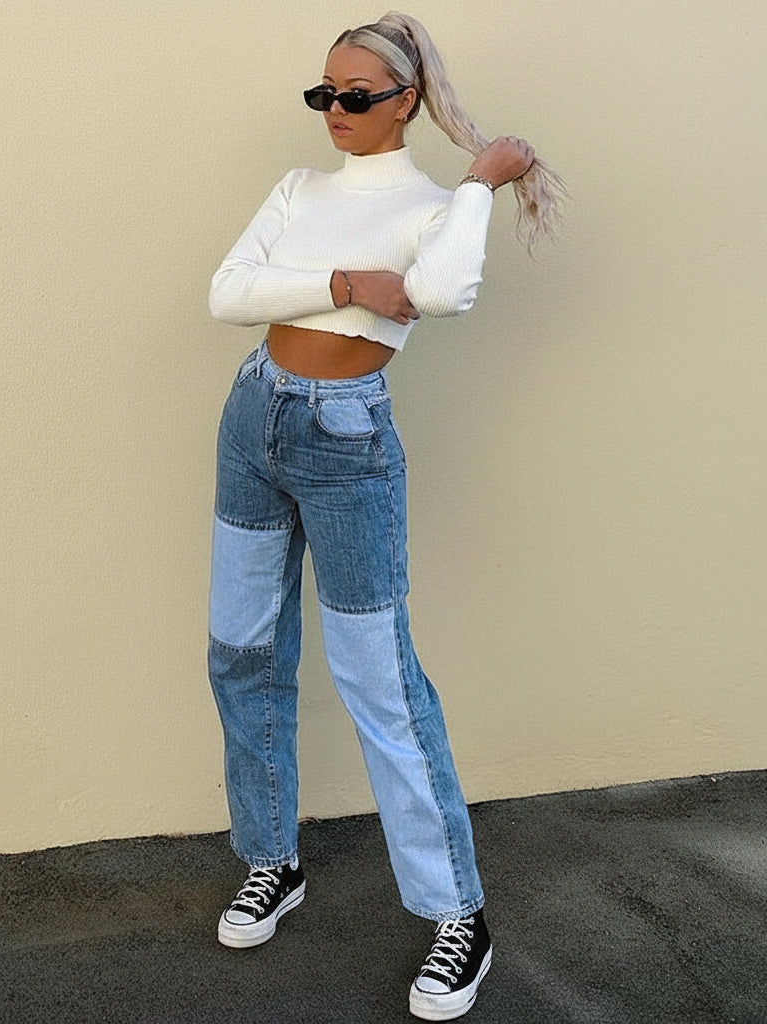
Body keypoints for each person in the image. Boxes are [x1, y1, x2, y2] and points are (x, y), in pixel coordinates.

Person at [206, 11, 564, 1020]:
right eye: (323, 93)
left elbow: (442, 293)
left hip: (346, 439)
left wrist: (477, 184)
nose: (335, 110)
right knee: (240, 650)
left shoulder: (431, 208)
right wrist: (346, 283)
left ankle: (458, 915)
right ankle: (273, 860)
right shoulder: (298, 189)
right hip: (252, 418)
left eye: (355, 95)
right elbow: (227, 292)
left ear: (404, 101)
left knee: (380, 678)